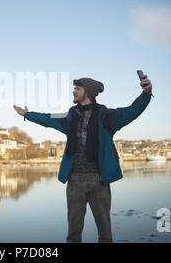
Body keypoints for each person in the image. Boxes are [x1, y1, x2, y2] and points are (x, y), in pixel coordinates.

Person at [13, 74, 153, 243]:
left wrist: (146, 94)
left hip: (100, 181)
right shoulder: (69, 117)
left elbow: (132, 111)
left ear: (88, 92)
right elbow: (49, 118)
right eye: (74, 88)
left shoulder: (107, 116)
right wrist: (28, 115)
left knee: (105, 234)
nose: (74, 92)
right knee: (73, 235)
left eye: (77, 89)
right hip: (75, 182)